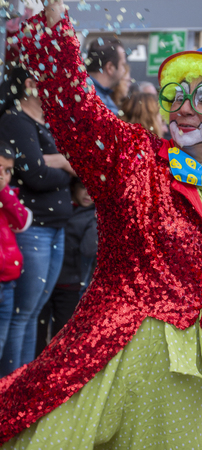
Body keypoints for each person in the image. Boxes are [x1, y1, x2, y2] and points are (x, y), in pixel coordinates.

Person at [0, 5, 202, 448]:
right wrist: (54, 25)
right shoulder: (135, 161)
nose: (184, 108)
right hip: (107, 359)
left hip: (185, 383)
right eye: (178, 95)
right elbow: (77, 111)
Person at [0, 66, 74, 376]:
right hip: (34, 230)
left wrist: (59, 162)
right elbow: (36, 175)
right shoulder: (16, 120)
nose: (60, 88)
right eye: (52, 80)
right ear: (31, 84)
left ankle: (20, 389)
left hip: (54, 228)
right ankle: (10, 390)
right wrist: (67, 165)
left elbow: (65, 166)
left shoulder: (47, 124)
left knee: (31, 314)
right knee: (22, 314)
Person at [36, 177, 97, 355]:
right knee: (38, 331)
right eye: (82, 187)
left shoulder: (93, 215)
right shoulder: (61, 208)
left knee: (62, 336)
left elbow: (88, 248)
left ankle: (54, 375)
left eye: (91, 189)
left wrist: (96, 221)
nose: (87, 193)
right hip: (46, 282)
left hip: (71, 285)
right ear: (73, 188)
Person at [0, 141, 32, 364]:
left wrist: (5, 193)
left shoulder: (6, 196)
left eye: (7, 170)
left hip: (8, 283)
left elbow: (22, 221)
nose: (3, 175)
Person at [86, 36, 127, 115]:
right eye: (122, 65)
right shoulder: (99, 105)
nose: (124, 71)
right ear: (110, 68)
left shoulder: (77, 90)